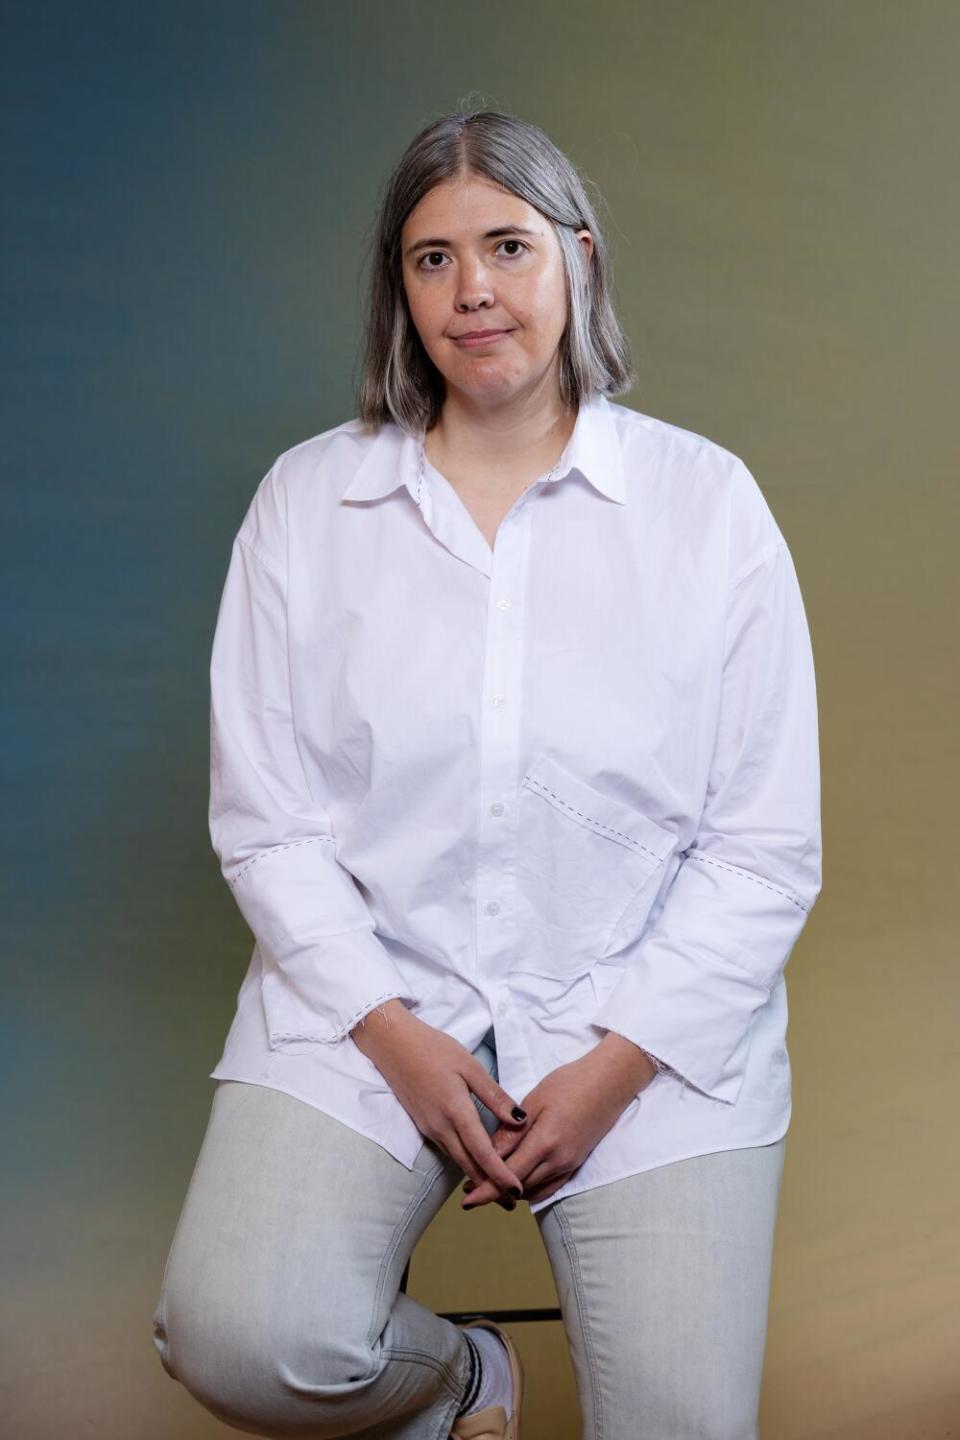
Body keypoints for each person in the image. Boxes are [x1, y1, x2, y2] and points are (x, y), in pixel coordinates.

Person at [152, 108, 822, 1440]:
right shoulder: (306, 505)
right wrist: (398, 1042)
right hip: (378, 1002)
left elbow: (762, 848)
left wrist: (617, 1066)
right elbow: (267, 826)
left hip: (647, 1025)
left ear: (576, 259)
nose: (473, 291)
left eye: (507, 246)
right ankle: (468, 1382)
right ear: (398, 293)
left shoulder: (709, 509)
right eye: (431, 258)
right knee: (243, 1339)